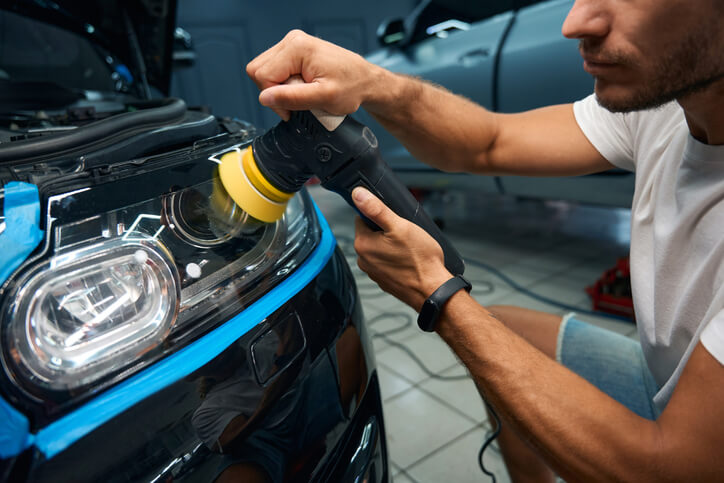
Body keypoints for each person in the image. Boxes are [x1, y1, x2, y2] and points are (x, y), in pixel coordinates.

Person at [246, 0, 724, 480]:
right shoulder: (663, 111)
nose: (574, 22)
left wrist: (439, 296)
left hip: (682, 453)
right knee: (505, 332)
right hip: (668, 379)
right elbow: (488, 142)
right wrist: (372, 82)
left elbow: (672, 470)